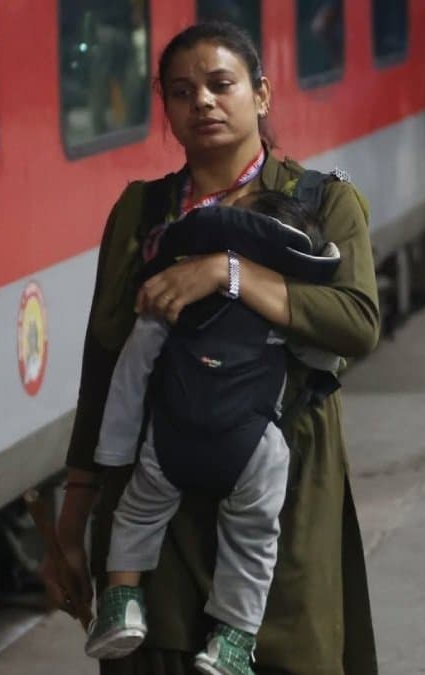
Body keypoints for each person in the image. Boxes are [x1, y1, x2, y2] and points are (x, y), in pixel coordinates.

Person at [39, 21, 381, 675]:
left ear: (262, 95)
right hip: (154, 478)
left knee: (285, 650)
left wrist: (230, 273)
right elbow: (104, 363)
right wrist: (72, 520)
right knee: (159, 650)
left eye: (220, 84)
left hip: (280, 480)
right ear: (165, 108)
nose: (202, 102)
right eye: (181, 91)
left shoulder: (324, 204)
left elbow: (357, 322)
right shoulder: (142, 213)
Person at [84, 193, 341, 673]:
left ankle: (122, 603)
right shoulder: (278, 312)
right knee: (252, 539)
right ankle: (232, 640)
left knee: (137, 513)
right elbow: (327, 353)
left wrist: (114, 451)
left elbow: (131, 375)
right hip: (250, 448)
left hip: (170, 440)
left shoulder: (172, 300)